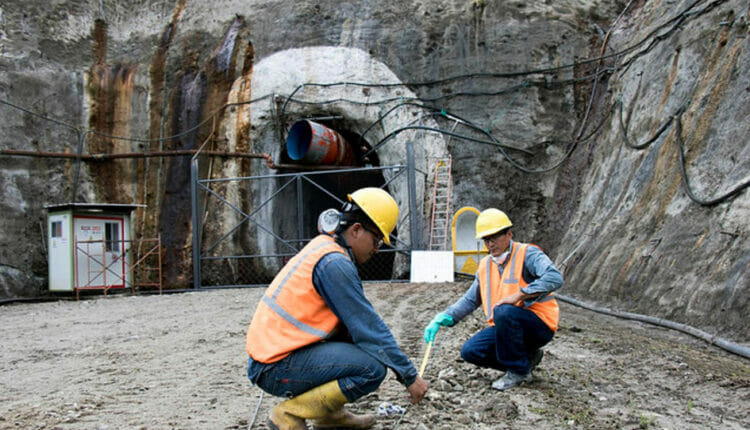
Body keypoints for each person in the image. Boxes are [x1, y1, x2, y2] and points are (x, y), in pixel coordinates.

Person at [246, 187, 428, 430]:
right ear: (355, 230)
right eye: (376, 240)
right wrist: (409, 376)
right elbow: (369, 328)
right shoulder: (334, 263)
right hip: (274, 367)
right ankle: (288, 415)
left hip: (274, 358)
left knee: (355, 345)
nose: (376, 249)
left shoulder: (324, 247)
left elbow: (351, 330)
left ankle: (330, 417)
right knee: (371, 368)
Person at [423, 208, 562, 391]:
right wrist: (446, 316)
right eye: (486, 239)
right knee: (470, 351)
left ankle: (517, 371)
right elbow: (471, 299)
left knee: (503, 310)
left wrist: (520, 294)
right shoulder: (485, 265)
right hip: (507, 326)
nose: (490, 243)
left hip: (539, 325)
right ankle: (526, 361)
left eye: (494, 237)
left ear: (509, 234)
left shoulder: (527, 254)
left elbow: (554, 277)